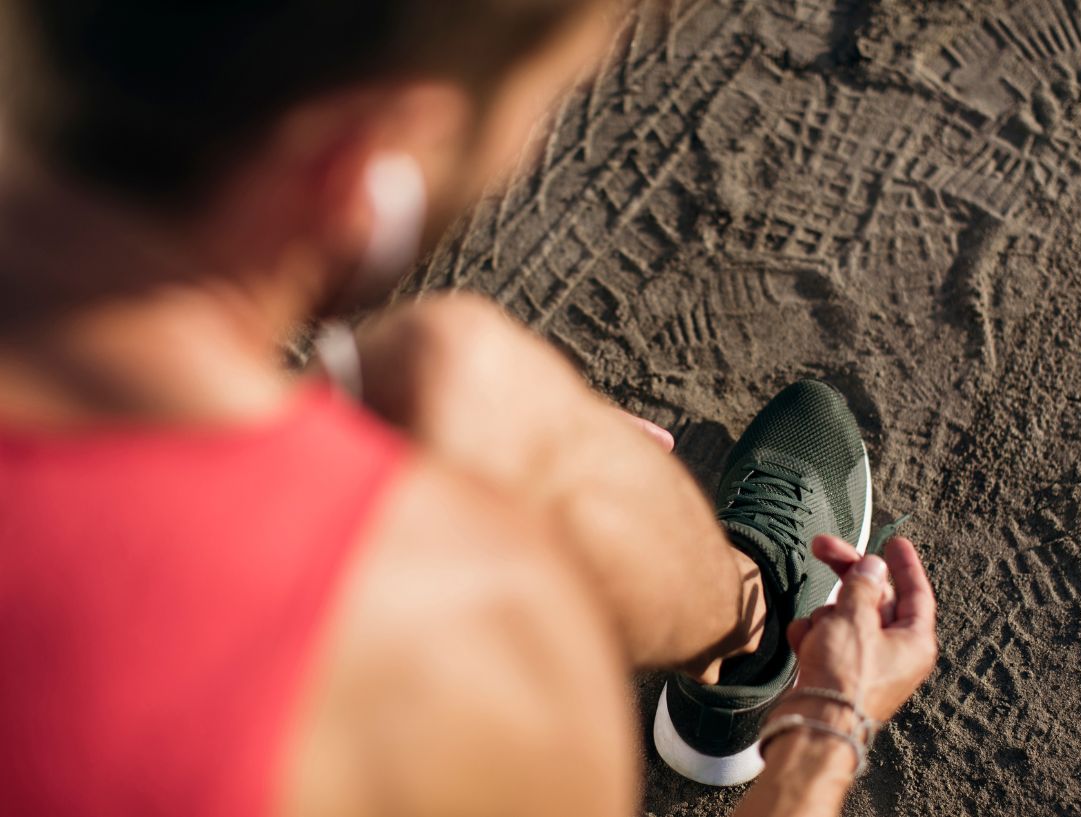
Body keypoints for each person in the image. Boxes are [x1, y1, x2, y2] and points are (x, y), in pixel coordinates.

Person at [0, 1, 938, 815]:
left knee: (456, 376)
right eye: (539, 105)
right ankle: (770, 662)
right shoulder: (481, 658)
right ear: (362, 166)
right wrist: (828, 727)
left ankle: (748, 626)